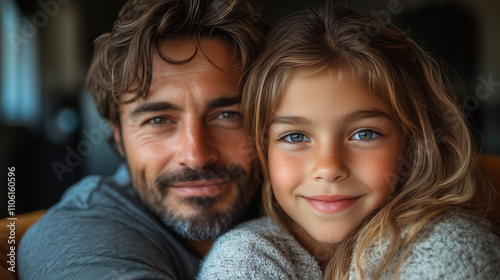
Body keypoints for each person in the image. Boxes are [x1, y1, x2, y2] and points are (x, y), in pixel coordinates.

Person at [198, 5, 500, 279]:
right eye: (295, 136)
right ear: (263, 151)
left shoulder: (448, 246)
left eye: (364, 134)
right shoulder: (243, 256)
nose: (328, 168)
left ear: (414, 144)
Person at [18, 0, 267, 279]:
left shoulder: (307, 199)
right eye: (158, 120)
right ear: (119, 137)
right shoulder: (76, 233)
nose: (196, 155)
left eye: (227, 115)